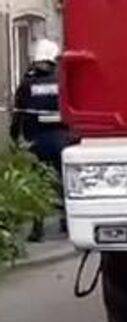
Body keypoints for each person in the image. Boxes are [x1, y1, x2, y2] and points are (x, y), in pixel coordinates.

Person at [9, 39, 69, 240]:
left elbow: (18, 114)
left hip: (36, 140)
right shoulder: (62, 80)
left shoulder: (27, 84)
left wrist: (14, 138)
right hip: (61, 138)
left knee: (37, 184)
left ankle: (37, 228)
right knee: (64, 181)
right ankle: (67, 222)